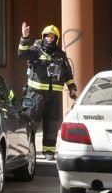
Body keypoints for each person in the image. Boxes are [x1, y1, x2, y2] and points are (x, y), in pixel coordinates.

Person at [19, 22, 78, 160]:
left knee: (52, 123)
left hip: (53, 96)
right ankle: (28, 150)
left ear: (56, 39)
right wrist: (24, 37)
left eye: (52, 36)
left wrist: (72, 88)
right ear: (43, 37)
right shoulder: (36, 50)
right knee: (31, 122)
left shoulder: (60, 55)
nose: (49, 39)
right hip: (35, 95)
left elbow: (68, 73)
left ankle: (49, 151)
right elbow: (22, 54)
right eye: (47, 36)